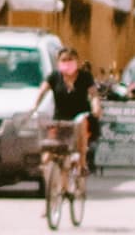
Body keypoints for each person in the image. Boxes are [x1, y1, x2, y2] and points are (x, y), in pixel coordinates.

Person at [34, 45, 98, 173]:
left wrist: (96, 108)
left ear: (77, 62)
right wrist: (35, 106)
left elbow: (94, 95)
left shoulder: (85, 77)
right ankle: (51, 179)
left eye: (70, 60)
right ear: (59, 62)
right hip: (60, 118)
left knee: (82, 125)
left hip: (80, 116)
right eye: (64, 60)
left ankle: (82, 163)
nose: (67, 63)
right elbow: (42, 91)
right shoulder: (54, 76)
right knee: (51, 147)